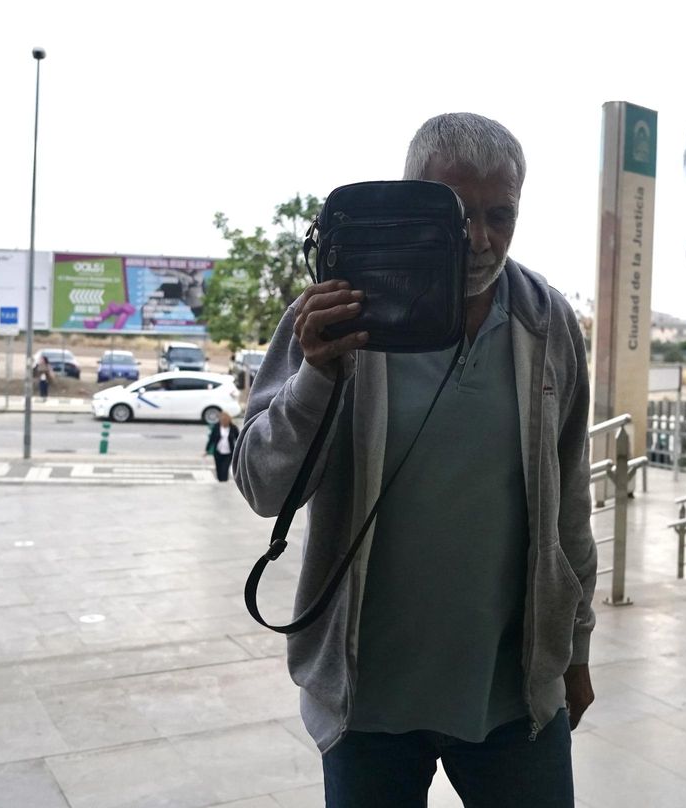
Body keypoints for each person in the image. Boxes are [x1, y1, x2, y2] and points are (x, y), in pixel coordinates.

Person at [232, 113, 596, 808]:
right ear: (413, 203)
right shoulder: (336, 316)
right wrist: (317, 377)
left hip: (514, 698)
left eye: (501, 215)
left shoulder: (547, 322)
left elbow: (569, 500)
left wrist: (575, 650)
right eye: (460, 217)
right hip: (366, 703)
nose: (483, 239)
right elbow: (259, 484)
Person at [203, 411, 239, 482]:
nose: (223, 423)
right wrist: (206, 450)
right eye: (222, 421)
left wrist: (239, 451)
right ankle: (220, 481)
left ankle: (224, 483)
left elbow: (238, 439)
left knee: (224, 470)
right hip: (218, 453)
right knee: (218, 470)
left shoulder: (233, 428)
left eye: (225, 421)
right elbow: (211, 439)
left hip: (228, 453)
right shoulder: (216, 427)